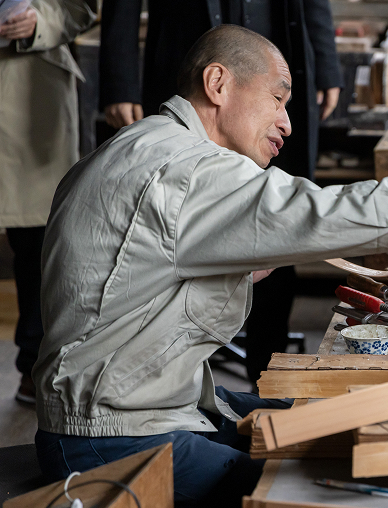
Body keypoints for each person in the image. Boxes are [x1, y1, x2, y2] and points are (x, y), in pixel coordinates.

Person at [34, 25, 388, 507]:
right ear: (218, 84)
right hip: (113, 436)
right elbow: (328, 211)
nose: (288, 124)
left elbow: (131, 276)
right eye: (278, 98)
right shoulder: (189, 170)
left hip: (127, 407)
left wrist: (233, 268)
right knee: (314, 486)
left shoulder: (139, 146)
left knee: (310, 416)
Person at [99, 0, 343, 385]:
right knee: (180, 220)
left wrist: (325, 64)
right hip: (187, 61)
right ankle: (175, 373)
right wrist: (119, 79)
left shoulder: (281, 107)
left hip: (278, 58)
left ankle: (267, 375)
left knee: (280, 222)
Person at [0, 0, 94, 404]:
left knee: (39, 243)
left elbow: (82, 6)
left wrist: (41, 21)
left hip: (29, 89)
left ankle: (36, 365)